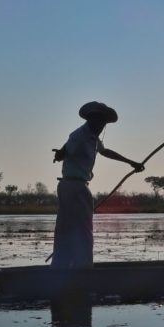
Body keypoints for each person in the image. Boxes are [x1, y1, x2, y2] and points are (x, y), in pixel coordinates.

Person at [50, 101, 144, 268]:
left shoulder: (93, 138)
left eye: (103, 123)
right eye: (99, 121)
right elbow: (66, 150)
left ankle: (63, 267)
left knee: (69, 227)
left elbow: (105, 151)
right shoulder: (79, 135)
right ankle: (83, 269)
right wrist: (60, 154)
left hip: (75, 186)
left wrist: (131, 162)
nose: (101, 126)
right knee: (82, 229)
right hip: (74, 187)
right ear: (90, 119)